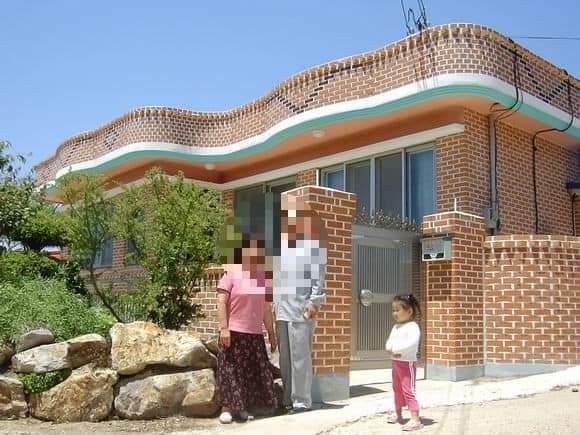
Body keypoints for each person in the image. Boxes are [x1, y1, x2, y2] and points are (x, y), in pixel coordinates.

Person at [273, 195, 327, 413]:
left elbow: (318, 278)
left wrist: (314, 302)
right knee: (285, 359)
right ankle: (287, 399)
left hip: (301, 309)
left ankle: (301, 401)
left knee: (300, 358)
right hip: (281, 310)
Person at [216, 234, 277, 424]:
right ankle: (227, 408)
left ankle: (243, 407)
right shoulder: (231, 274)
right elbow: (221, 302)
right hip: (233, 333)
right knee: (231, 372)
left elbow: (266, 309)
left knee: (251, 373)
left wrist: (271, 334)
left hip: (254, 335)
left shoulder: (263, 278)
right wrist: (224, 328)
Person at [385, 294, 423, 431]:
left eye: (397, 310)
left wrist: (396, 349)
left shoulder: (413, 326)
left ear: (409, 311)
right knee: (397, 388)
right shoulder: (396, 327)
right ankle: (398, 414)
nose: (394, 313)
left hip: (407, 364)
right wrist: (389, 348)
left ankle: (415, 419)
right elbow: (390, 341)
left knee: (408, 390)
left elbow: (411, 343)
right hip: (396, 362)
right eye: (393, 310)